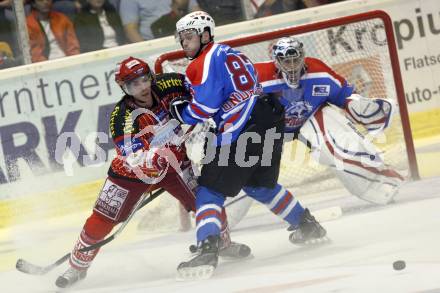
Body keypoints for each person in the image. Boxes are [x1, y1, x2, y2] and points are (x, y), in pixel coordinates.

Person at [55, 56, 250, 288]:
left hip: (175, 166)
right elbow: (133, 157)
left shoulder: (169, 84)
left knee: (205, 200)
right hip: (130, 175)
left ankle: (222, 243)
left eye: (145, 79)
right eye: (133, 85)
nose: (143, 87)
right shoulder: (122, 117)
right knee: (103, 219)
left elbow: (200, 89)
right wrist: (156, 155)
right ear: (124, 88)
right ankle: (77, 267)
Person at [171, 11, 327, 280]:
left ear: (205, 34)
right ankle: (307, 224)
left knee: (209, 190)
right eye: (181, 38)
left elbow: (204, 107)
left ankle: (209, 247)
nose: (184, 43)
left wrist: (180, 113)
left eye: (189, 36)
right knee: (259, 185)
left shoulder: (201, 62)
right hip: (269, 117)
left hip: (242, 129)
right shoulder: (232, 53)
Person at [254, 37, 404, 205]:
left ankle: (382, 185)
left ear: (303, 56)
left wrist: (355, 104)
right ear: (276, 61)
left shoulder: (319, 72)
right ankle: (223, 211)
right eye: (286, 61)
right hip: (269, 127)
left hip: (309, 118)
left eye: (296, 59)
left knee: (341, 147)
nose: (292, 65)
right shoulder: (257, 77)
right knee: (243, 165)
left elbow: (343, 95)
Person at [119, 0, 198, 42]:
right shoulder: (128, 1)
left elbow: (197, 13)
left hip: (184, 40)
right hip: (153, 44)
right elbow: (130, 30)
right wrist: (147, 50)